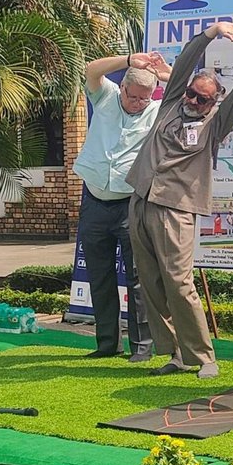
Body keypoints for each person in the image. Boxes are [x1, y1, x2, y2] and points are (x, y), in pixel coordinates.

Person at [129, 21, 233, 378]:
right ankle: (175, 353)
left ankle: (204, 357)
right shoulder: (171, 102)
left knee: (178, 281)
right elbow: (187, 60)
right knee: (150, 280)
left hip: (176, 207)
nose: (192, 100)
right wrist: (212, 31)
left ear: (212, 103)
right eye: (191, 93)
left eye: (201, 98)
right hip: (140, 198)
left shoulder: (216, 123)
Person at [74, 51, 165, 362]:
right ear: (122, 87)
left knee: (138, 278)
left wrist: (162, 74)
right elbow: (90, 69)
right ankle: (106, 344)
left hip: (131, 203)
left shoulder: (156, 111)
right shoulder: (107, 97)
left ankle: (142, 347)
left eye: (144, 98)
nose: (137, 103)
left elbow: (187, 93)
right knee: (99, 275)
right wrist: (129, 60)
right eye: (134, 96)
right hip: (94, 201)